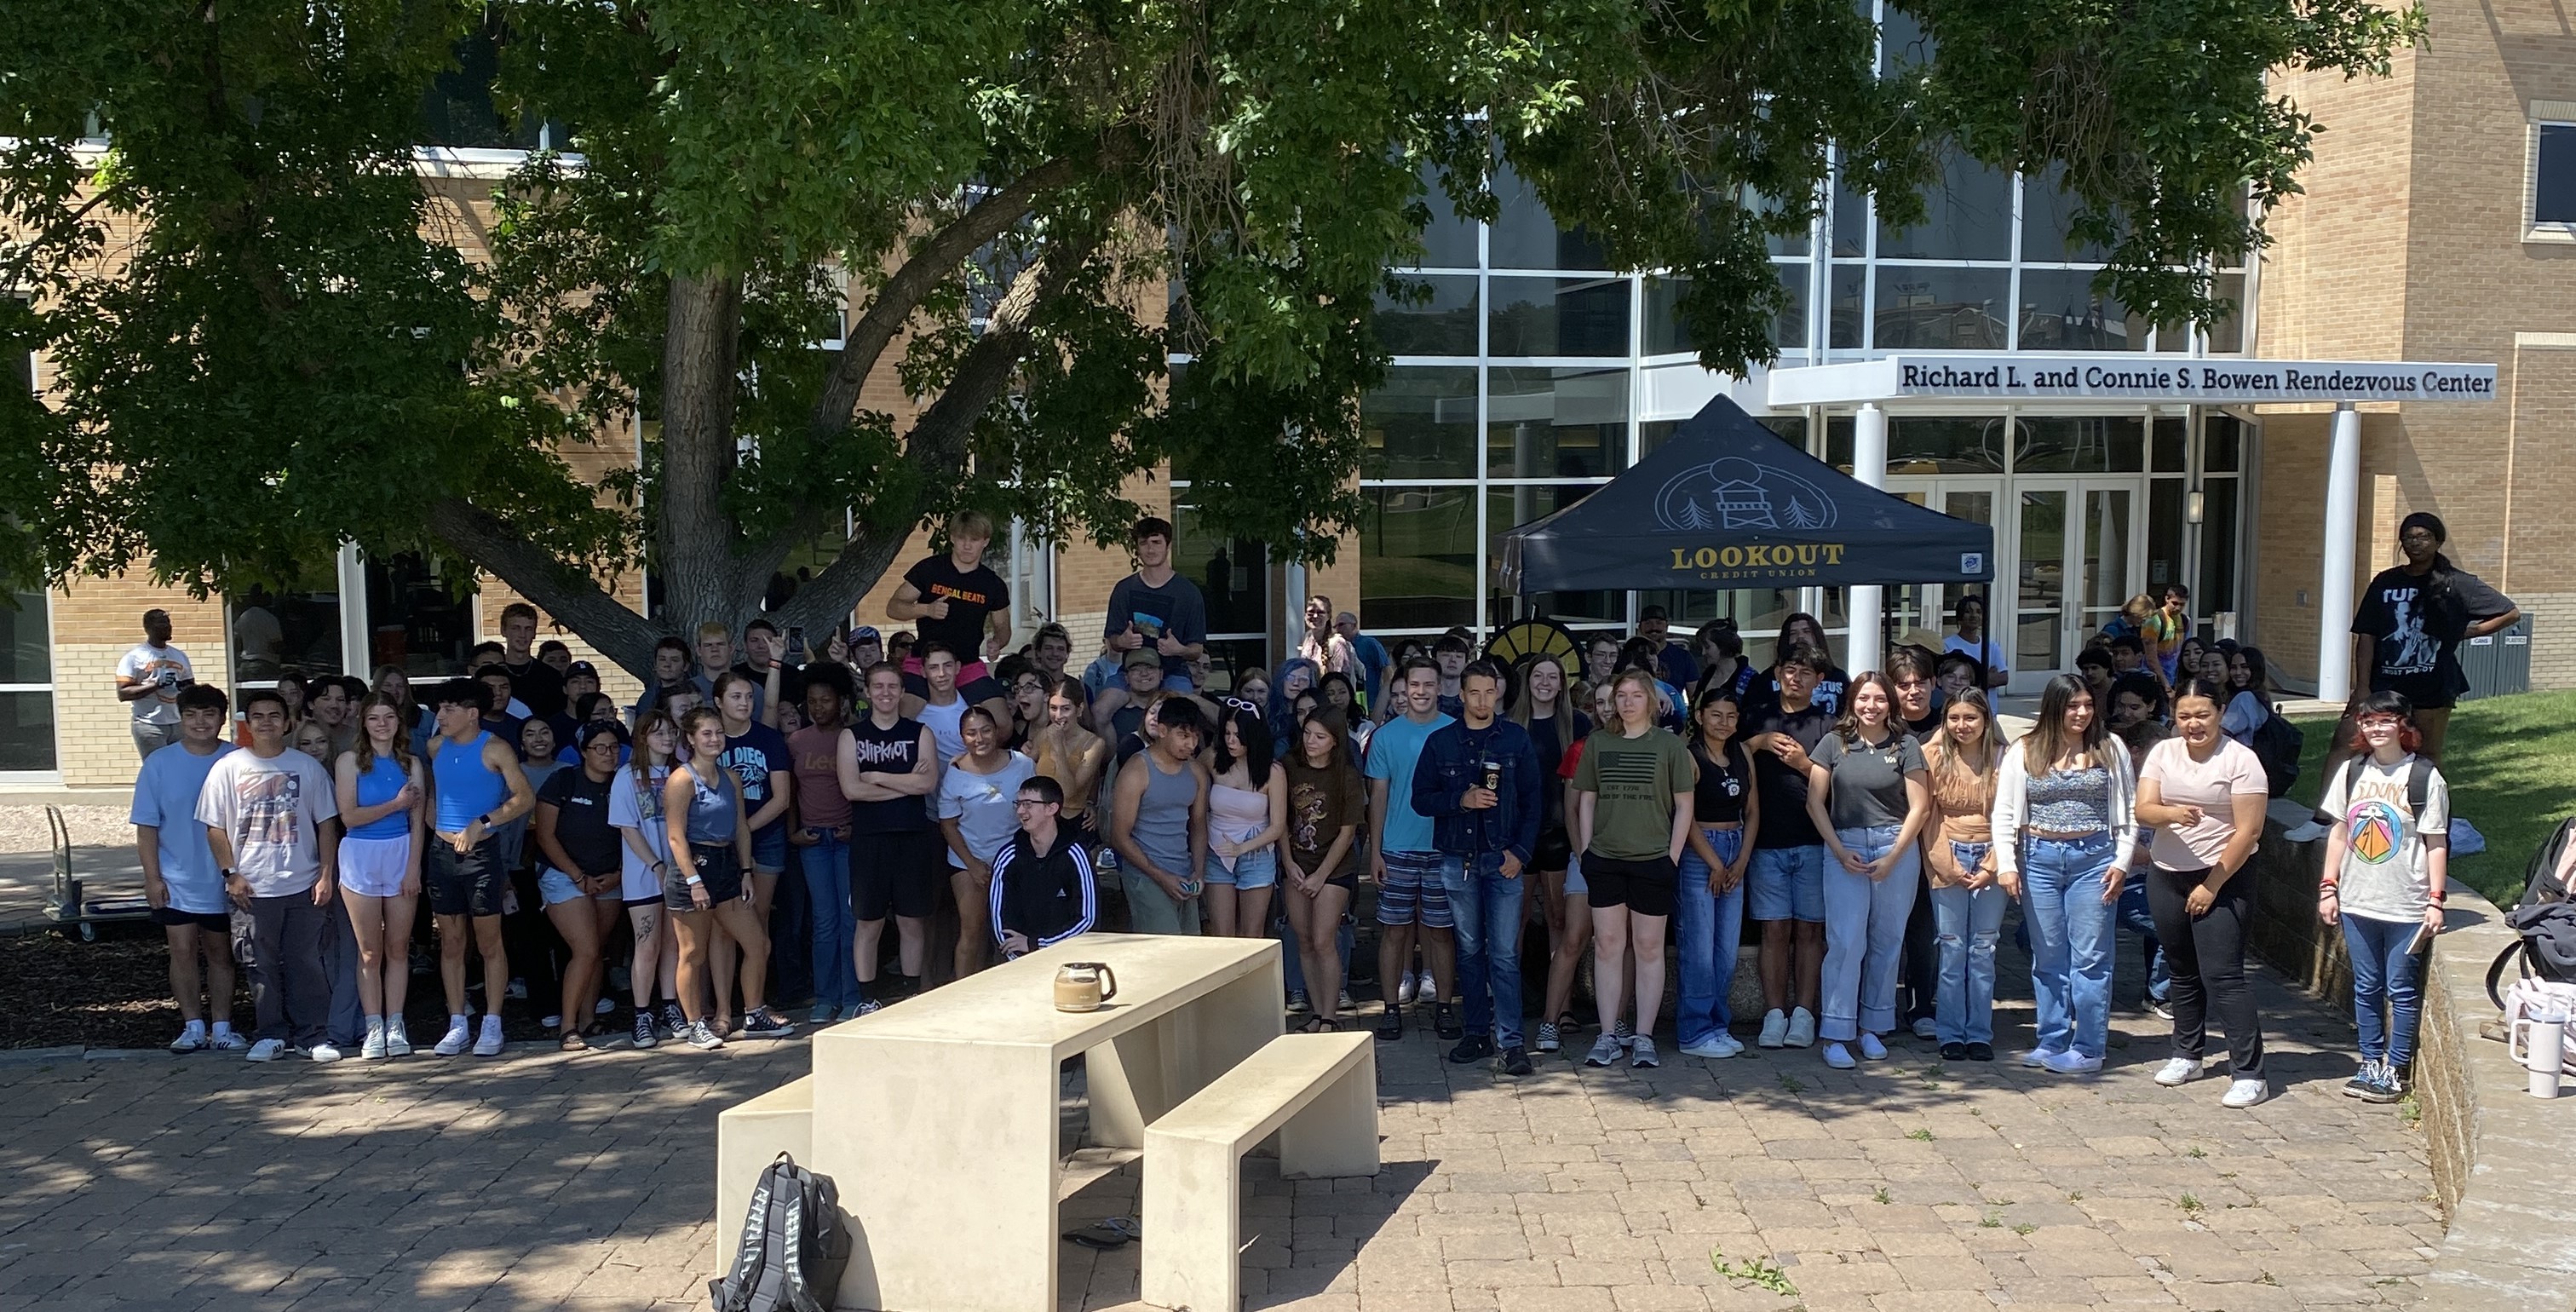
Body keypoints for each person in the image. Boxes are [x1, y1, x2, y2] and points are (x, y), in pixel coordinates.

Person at [2136, 676, 2273, 1108]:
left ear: (2220, 713)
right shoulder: (2163, 751)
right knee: (2181, 969)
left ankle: (2250, 1072)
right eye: (2184, 716)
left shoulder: (2240, 760)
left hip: (2224, 877)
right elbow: (2143, 808)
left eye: (2203, 715)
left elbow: (2250, 829)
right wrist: (2172, 813)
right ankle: (2187, 1053)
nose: (2193, 724)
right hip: (2167, 871)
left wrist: (2211, 885)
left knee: (2224, 975)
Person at [1991, 673, 2135, 1075]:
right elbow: (2004, 812)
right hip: (2038, 858)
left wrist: (2121, 862)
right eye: (2073, 706)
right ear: (2055, 707)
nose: (2082, 713)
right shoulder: (2026, 749)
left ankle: (2089, 1047)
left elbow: (2128, 812)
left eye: (2088, 705)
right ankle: (2051, 1038)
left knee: (2091, 958)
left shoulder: (2110, 747)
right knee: (2048, 956)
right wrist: (2006, 863)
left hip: (2094, 858)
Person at [2314, 690, 2451, 1103]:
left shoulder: (2425, 777)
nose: (2375, 728)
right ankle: (2370, 1061)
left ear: (2404, 726)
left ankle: (2396, 1068)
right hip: (2357, 900)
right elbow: (2339, 832)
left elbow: (2436, 842)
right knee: (2367, 985)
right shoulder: (2352, 771)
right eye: (2368, 721)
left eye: (2385, 721)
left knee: (2401, 987)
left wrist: (2436, 899)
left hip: (2406, 903)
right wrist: (2328, 887)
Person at [197, 687, 342, 1062]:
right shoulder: (227, 768)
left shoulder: (307, 768)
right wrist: (231, 874)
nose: (266, 722)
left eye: (274, 716)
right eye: (257, 716)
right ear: (247, 723)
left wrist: (326, 875)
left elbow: (327, 825)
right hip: (251, 887)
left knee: (306, 963)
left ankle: (313, 1035)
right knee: (259, 964)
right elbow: (215, 828)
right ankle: (270, 1033)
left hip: (302, 883)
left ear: (287, 722)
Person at [1412, 661, 1543, 1073]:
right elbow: (1421, 799)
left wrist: (1520, 853)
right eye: (1475, 693)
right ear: (1462, 695)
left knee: (1503, 954)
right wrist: (1460, 800)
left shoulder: (1516, 739)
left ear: (1498, 694)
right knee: (1469, 951)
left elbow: (1534, 802)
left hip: (1504, 859)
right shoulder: (1441, 742)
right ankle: (1476, 1033)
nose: (1483, 700)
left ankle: (1512, 1042)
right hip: (1458, 860)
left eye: (1490, 692)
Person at [1571, 670, 1697, 1069]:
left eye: (1635, 695)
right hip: (1605, 860)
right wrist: (1588, 851)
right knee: (1607, 947)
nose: (1627, 702)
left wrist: (1672, 856)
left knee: (1648, 949)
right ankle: (1607, 1034)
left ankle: (1643, 1036)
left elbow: (1684, 805)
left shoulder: (1669, 746)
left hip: (1653, 860)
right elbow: (1586, 799)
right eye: (1620, 695)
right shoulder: (1598, 742)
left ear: (1653, 702)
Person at [1804, 672, 1930, 1070]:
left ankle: (1872, 1027)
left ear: (1890, 704)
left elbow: (1920, 807)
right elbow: (1814, 803)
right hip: (1846, 848)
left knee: (1887, 940)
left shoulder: (1907, 745)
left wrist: (1894, 856)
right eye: (1863, 698)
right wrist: (1839, 851)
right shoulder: (1833, 742)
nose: (1870, 706)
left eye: (1879, 699)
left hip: (1895, 847)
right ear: (1852, 701)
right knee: (1845, 942)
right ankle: (1836, 1033)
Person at [2341, 511, 2520, 768]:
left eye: (2423, 537)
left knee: (2427, 754)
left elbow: (2510, 612)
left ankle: (2432, 807)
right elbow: (2366, 635)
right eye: (2409, 537)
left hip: (2433, 685)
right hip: (2385, 684)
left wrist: (2472, 631)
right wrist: (2363, 686)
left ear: (2438, 541)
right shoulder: (2385, 582)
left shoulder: (2457, 583)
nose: (2415, 542)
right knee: (2364, 748)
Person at [663, 708, 795, 1048]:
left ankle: (754, 1012)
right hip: (694, 865)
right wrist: (693, 881)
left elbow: (740, 828)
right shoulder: (681, 779)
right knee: (693, 952)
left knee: (756, 943)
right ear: (691, 739)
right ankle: (694, 1024)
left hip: (727, 865)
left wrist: (746, 870)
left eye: (719, 733)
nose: (714, 739)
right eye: (706, 734)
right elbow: (676, 837)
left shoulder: (731, 777)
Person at [422, 678, 537, 1060]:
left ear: (472, 714)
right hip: (442, 852)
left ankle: (492, 1021)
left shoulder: (496, 748)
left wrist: (482, 823)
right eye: (440, 709)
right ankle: (457, 1022)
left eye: (449, 709)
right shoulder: (435, 746)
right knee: (452, 942)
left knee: (489, 942)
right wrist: (435, 824)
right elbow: (433, 794)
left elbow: (524, 798)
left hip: (482, 855)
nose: (441, 715)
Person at [135, 683, 242, 1053]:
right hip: (176, 878)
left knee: (220, 953)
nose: (200, 722)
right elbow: (147, 827)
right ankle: (193, 1026)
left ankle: (223, 1027)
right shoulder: (159, 764)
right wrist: (153, 878)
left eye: (209, 714)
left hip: (225, 877)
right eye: (191, 714)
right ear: (180, 718)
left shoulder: (237, 759)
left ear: (222, 719)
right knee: (181, 951)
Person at [1742, 644, 1834, 1049]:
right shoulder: (1755, 717)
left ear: (1819, 680)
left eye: (1807, 672)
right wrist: (1757, 742)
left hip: (1814, 841)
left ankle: (1804, 1014)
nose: (1797, 677)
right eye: (1790, 669)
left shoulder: (1829, 724)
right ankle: (1774, 1013)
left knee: (1811, 932)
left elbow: (1837, 780)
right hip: (1766, 841)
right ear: (1778, 672)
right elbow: (1723, 754)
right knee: (1774, 931)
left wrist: (1802, 764)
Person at [837, 663, 941, 1007]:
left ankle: (912, 994)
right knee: (869, 923)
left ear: (901, 691)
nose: (885, 693)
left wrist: (878, 775)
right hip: (869, 841)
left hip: (912, 837)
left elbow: (926, 784)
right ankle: (868, 1000)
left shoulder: (920, 733)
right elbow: (852, 790)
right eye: (878, 686)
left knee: (912, 922)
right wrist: (905, 784)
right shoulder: (851, 736)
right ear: (867, 691)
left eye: (892, 686)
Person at [1366, 659, 1458, 1039]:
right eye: (1414, 684)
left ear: (1439, 687)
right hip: (1398, 848)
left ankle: (1444, 1008)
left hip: (1443, 848)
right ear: (1404, 688)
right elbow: (1378, 797)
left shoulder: (1455, 731)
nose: (1421, 691)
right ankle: (1390, 1009)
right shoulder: (1387, 736)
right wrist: (1375, 852)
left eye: (1428, 684)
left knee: (1441, 932)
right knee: (1394, 931)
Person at [331, 692, 425, 1059]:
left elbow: (416, 822)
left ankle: (395, 1022)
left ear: (398, 721)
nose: (382, 724)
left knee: (398, 948)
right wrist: (395, 804)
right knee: (369, 951)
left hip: (401, 852)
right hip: (360, 854)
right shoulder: (349, 762)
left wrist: (413, 866)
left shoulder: (412, 764)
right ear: (364, 723)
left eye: (389, 716)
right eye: (374, 718)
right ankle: (373, 1026)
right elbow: (349, 817)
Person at [533, 722, 628, 1051]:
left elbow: (636, 834)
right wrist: (577, 876)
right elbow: (545, 835)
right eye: (599, 747)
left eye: (614, 747)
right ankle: (568, 1026)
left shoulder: (624, 783)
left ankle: (589, 1019)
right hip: (563, 874)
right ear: (584, 752)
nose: (608, 753)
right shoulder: (563, 779)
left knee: (596, 951)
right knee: (585, 948)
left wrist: (618, 874)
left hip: (610, 877)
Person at [1920, 688, 2003, 1062]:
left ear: (1986, 719)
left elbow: (2014, 814)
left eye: (1971, 718)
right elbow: (1927, 814)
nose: (1962, 725)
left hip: (1991, 855)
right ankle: (1950, 1032)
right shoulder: (1934, 757)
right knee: (1952, 947)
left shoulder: (2004, 757)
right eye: (1954, 718)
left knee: (1983, 949)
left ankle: (1980, 1033)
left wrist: (1993, 864)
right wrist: (1946, 866)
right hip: (1948, 852)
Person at [1676, 686, 1757, 1060]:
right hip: (1700, 854)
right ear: (1699, 716)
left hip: (1735, 846)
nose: (1723, 723)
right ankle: (1693, 1030)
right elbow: (1684, 816)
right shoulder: (1688, 755)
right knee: (1699, 948)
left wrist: (1740, 861)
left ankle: (1717, 1024)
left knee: (1725, 948)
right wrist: (1714, 863)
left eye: (1731, 716)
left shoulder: (1741, 752)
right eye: (1715, 715)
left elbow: (1753, 811)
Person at [710, 671, 796, 1031]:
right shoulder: (710, 741)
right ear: (718, 702)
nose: (744, 702)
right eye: (735, 696)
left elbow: (782, 798)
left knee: (756, 924)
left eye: (748, 696)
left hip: (766, 837)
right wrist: (730, 835)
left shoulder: (769, 739)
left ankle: (754, 1006)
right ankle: (722, 1012)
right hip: (719, 845)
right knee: (722, 930)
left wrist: (744, 830)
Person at [936, 705, 1038, 976]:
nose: (979, 738)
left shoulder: (1023, 764)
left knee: (1013, 929)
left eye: (985, 731)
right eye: (971, 733)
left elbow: (1036, 811)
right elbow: (948, 825)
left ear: (997, 732)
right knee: (972, 931)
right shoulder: (955, 774)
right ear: (962, 737)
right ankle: (964, 997)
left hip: (1014, 859)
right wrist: (973, 865)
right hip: (968, 860)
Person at [1282, 706, 1365, 1033]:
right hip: (1296, 864)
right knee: (1302, 940)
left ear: (1335, 741)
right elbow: (1280, 821)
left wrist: (1320, 875)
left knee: (1322, 939)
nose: (1311, 741)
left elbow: (1348, 832)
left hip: (1334, 867)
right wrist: (1288, 863)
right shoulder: (1288, 766)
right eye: (1307, 734)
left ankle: (1330, 1016)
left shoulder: (1346, 775)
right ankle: (1316, 1014)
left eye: (1320, 736)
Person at [790, 672, 861, 1022]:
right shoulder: (797, 741)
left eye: (826, 700)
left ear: (841, 702)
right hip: (813, 842)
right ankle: (825, 997)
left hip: (847, 840)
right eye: (812, 701)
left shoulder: (854, 738)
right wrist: (794, 832)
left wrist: (856, 828)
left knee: (851, 920)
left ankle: (852, 996)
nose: (819, 707)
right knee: (824, 922)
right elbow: (788, 792)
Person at [611, 711, 683, 1047]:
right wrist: (655, 864)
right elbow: (628, 827)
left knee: (674, 943)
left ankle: (671, 1007)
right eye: (658, 733)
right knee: (648, 943)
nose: (667, 738)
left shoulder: (680, 772)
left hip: (680, 871)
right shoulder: (626, 776)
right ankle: (642, 1015)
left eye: (671, 732)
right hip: (644, 874)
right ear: (642, 738)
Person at [1109, 693, 1210, 935]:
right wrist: (1161, 876)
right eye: (1184, 736)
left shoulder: (1196, 771)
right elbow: (1119, 837)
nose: (1191, 744)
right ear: (1162, 730)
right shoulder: (1137, 770)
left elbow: (1198, 826)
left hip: (1184, 873)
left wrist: (1198, 870)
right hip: (1146, 875)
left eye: (1195, 737)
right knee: (1165, 952)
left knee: (1190, 950)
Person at [1885, 647, 1944, 1038]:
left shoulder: (1949, 725)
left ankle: (1923, 1005)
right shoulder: (1880, 729)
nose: (1913, 692)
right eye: (1903, 685)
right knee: (1885, 931)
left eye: (1920, 683)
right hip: (1887, 841)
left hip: (1934, 840)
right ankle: (1880, 1006)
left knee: (1924, 931)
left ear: (1933, 684)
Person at [1204, 705, 1288, 939]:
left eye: (1238, 736)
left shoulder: (1273, 772)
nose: (1231, 741)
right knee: (1222, 935)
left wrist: (1241, 848)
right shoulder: (1211, 759)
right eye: (1227, 734)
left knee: (1252, 936)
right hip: (1217, 851)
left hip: (1256, 854)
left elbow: (1278, 826)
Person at [988, 776, 1098, 956]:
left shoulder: (1076, 855)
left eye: (1029, 804)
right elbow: (998, 921)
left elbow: (1089, 920)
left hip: (1069, 958)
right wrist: (1022, 957)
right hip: (1018, 962)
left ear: (1051, 808)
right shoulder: (1008, 857)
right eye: (1019, 804)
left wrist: (1038, 945)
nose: (1020, 811)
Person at [1103, 516, 1209, 693]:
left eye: (1156, 542)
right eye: (1144, 543)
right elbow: (1112, 639)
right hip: (1131, 672)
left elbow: (1196, 650)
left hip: (1174, 673)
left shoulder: (1189, 593)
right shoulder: (1124, 589)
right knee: (1101, 710)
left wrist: (1179, 649)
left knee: (1178, 713)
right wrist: (1122, 641)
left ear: (1168, 546)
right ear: (1137, 548)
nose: (1150, 549)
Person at [1031, 676, 1111, 849]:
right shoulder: (1043, 735)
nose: (1058, 716)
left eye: (1065, 709)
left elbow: (1068, 792)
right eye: (1053, 708)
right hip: (1042, 821)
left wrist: (1058, 748)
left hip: (1074, 822)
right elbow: (1025, 768)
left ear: (1079, 709)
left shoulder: (1094, 744)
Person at [118, 608, 194, 760]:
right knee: (156, 770)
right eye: (162, 623)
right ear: (148, 628)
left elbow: (190, 687)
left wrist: (182, 687)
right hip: (150, 725)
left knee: (179, 768)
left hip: (178, 723)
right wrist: (156, 685)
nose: (168, 626)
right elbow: (123, 693)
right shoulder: (134, 657)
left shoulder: (179, 655)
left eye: (168, 623)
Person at [496, 601, 567, 722]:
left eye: (528, 629)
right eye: (516, 628)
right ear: (503, 630)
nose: (522, 635)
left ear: (534, 633)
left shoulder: (551, 676)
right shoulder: (493, 675)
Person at [913, 642, 977, 770]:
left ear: (957, 667)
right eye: (933, 667)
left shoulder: (972, 710)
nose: (942, 673)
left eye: (947, 666)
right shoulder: (915, 714)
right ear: (923, 672)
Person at [1945, 595, 2010, 691]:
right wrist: (1988, 676)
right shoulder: (1948, 645)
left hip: (1988, 706)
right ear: (1959, 617)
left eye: (1979, 612)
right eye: (1968, 612)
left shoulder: (1991, 646)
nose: (1974, 615)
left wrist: (1970, 678)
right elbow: (1951, 682)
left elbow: (2003, 678)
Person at [2219, 646, 2274, 749]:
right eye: (2233, 668)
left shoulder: (2244, 698)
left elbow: (2222, 732)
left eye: (2244, 667)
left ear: (2256, 669)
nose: (2238, 672)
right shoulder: (2261, 696)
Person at [634, 636, 693, 725]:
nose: (667, 664)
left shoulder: (695, 694)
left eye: (674, 660)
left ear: (686, 666)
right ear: (655, 664)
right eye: (662, 659)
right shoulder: (647, 699)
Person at [1337, 612, 1388, 711]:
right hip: (1349, 705)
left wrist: (1383, 702)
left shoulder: (1369, 644)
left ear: (1354, 625)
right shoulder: (1340, 649)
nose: (1338, 629)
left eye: (1341, 625)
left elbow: (1387, 671)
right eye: (1336, 626)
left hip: (1372, 704)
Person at [1637, 605, 1698, 688]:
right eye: (1648, 623)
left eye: (1659, 623)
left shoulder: (1683, 657)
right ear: (1640, 628)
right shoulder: (1629, 655)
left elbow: (1694, 695)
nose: (1654, 627)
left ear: (1667, 627)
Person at [1297, 596, 1354, 682]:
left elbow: (1340, 681)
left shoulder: (1338, 643)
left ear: (1328, 616)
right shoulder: (1307, 638)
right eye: (1311, 612)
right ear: (1305, 615)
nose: (1315, 616)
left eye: (1320, 612)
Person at [2143, 584, 2191, 683]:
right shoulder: (2154, 621)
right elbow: (2150, 657)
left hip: (2174, 676)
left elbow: (2184, 651)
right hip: (2153, 678)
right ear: (2167, 599)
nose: (2178, 608)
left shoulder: (2185, 620)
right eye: (2175, 603)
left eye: (2182, 604)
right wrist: (2165, 683)